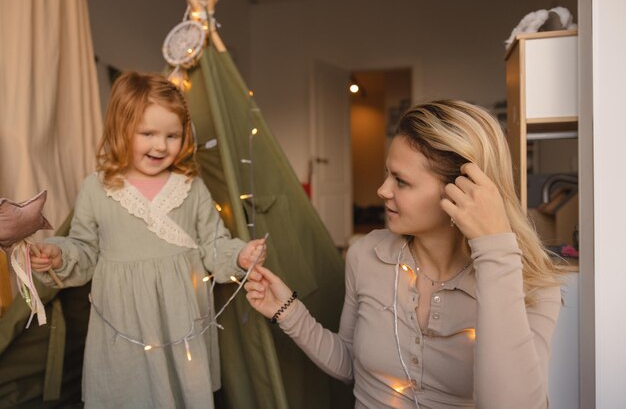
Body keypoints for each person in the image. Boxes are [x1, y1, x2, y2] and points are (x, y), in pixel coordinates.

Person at [245, 100, 563, 409]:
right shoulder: (366, 254)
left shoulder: (528, 284)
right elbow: (350, 365)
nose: (383, 190)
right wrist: (287, 310)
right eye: (388, 174)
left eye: (401, 181)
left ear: (463, 191)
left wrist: (495, 247)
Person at [29, 71, 266, 408]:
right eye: (148, 133)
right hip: (122, 325)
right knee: (125, 394)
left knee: (182, 395)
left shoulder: (191, 186)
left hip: (180, 324)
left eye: (173, 135)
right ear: (121, 128)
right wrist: (57, 254)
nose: (161, 145)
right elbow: (83, 248)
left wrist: (240, 255)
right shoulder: (97, 188)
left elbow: (214, 243)